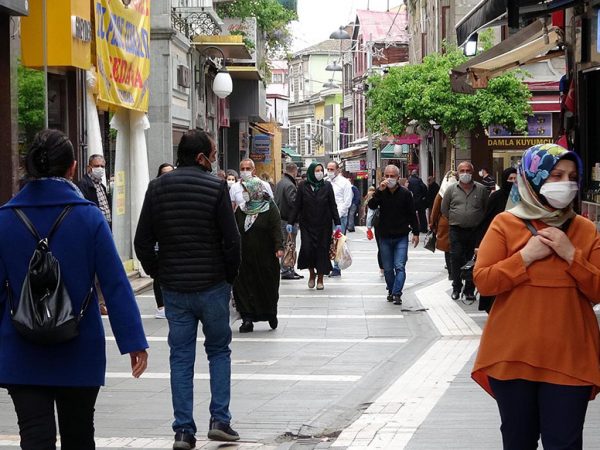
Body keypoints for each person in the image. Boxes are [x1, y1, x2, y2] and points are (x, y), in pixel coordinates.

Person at [0, 129, 148, 450]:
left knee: (34, 437)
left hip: (20, 348)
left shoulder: (5, 219)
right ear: (73, 168)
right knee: (79, 436)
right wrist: (133, 341)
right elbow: (115, 284)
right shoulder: (89, 217)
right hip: (79, 345)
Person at [472, 143, 600, 449]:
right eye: (556, 175)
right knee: (518, 441)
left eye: (572, 177)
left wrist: (571, 255)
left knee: (565, 443)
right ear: (534, 177)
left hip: (570, 357)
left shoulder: (585, 230)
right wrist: (525, 257)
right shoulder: (505, 224)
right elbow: (484, 281)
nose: (566, 183)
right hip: (513, 356)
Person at [134, 130, 242, 447]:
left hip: (175, 289)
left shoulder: (156, 188)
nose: (215, 160)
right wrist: (229, 276)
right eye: (213, 154)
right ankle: (220, 419)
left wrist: (159, 273)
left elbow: (142, 242)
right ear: (201, 157)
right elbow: (232, 240)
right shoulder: (216, 187)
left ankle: (183, 430)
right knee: (218, 350)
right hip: (212, 285)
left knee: (181, 357)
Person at [234, 179, 284, 333]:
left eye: (246, 190)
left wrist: (279, 247)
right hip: (244, 257)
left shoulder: (270, 208)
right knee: (243, 286)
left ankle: (270, 313)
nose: (244, 193)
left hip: (265, 257)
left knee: (266, 287)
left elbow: (276, 229)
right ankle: (247, 318)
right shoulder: (241, 209)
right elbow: (234, 230)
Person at [368, 165, 420, 305]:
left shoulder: (405, 193)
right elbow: (371, 205)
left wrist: (416, 232)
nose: (389, 179)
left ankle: (397, 293)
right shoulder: (381, 192)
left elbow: (412, 214)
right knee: (388, 269)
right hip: (384, 235)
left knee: (400, 266)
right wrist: (379, 191)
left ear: (398, 177)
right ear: (383, 177)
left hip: (401, 235)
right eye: (387, 176)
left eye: (392, 176)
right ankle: (391, 290)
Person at [288, 162, 342, 290]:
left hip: (324, 225)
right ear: (311, 172)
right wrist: (290, 222)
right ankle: (312, 274)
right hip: (307, 225)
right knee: (308, 249)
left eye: (321, 170)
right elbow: (297, 205)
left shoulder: (327, 186)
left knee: (322, 251)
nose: (319, 173)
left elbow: (332, 205)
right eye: (316, 170)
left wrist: (338, 222)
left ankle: (320, 278)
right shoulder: (303, 186)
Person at [441, 162, 489, 301]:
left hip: (475, 231)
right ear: (458, 173)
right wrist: (456, 218)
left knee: (472, 260)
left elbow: (486, 208)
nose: (465, 173)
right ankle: (456, 287)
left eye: (468, 170)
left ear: (472, 172)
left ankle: (469, 290)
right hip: (456, 230)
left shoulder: (481, 190)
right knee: (456, 258)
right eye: (462, 171)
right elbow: (444, 209)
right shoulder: (451, 189)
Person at [476, 167, 517, 313]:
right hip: (497, 242)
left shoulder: (522, 198)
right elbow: (486, 221)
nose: (513, 182)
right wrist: (480, 243)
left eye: (515, 179)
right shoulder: (496, 197)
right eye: (510, 179)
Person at [77, 154, 112, 315]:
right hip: (92, 232)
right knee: (96, 269)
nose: (100, 169)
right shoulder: (84, 185)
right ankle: (98, 303)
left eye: (102, 166)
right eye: (97, 166)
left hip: (104, 229)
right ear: (89, 168)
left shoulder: (101, 186)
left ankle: (102, 302)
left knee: (102, 268)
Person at [151, 163, 175, 319]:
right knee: (159, 275)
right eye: (164, 173)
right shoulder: (154, 193)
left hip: (175, 241)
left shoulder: (180, 192)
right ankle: (161, 306)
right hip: (159, 241)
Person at [274, 163, 303, 280]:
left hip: (281, 218)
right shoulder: (290, 185)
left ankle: (289, 268)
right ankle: (287, 269)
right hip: (288, 220)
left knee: (287, 244)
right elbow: (293, 203)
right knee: (289, 245)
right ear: (294, 171)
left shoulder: (280, 183)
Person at [429, 171, 457, 280]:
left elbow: (435, 209)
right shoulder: (459, 190)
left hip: (444, 223)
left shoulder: (441, 192)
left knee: (447, 249)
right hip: (457, 222)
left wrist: (432, 223)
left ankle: (451, 272)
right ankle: (456, 271)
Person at [326, 161, 352, 277]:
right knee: (326, 241)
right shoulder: (326, 182)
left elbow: (347, 201)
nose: (329, 171)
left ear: (338, 170)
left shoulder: (345, 183)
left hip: (340, 218)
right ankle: (327, 265)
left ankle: (336, 267)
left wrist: (337, 215)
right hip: (327, 217)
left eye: (332, 169)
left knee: (338, 242)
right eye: (328, 169)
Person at [365, 185, 384, 276]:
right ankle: (384, 267)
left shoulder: (376, 195)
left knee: (381, 248)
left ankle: (382, 269)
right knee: (383, 247)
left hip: (379, 226)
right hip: (381, 225)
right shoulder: (376, 196)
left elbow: (370, 213)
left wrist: (369, 228)